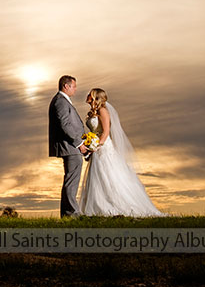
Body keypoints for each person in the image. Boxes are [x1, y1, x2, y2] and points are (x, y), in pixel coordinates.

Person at [79, 88, 164, 217]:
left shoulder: (103, 111)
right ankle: (97, 205)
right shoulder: (94, 112)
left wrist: (95, 146)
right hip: (97, 147)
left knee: (108, 175)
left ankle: (113, 205)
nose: (87, 96)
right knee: (98, 176)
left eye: (90, 95)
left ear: (95, 97)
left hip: (103, 148)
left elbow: (106, 132)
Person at [48, 75, 89, 218]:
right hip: (70, 146)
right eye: (74, 86)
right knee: (71, 180)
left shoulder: (62, 101)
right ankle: (72, 213)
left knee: (70, 179)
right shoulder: (60, 101)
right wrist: (79, 144)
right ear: (66, 86)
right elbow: (65, 125)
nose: (76, 89)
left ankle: (67, 213)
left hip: (71, 146)